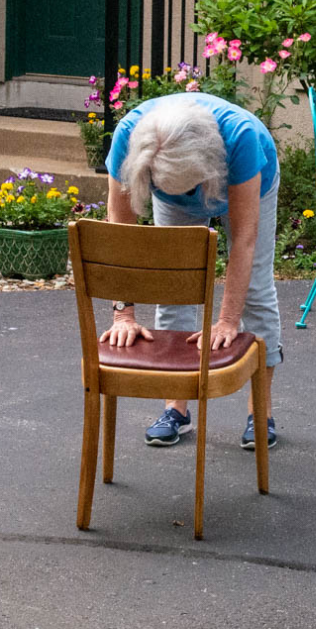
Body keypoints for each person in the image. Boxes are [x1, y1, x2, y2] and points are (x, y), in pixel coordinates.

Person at [99, 92, 282, 451]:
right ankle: (175, 409)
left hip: (245, 178)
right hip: (177, 177)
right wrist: (124, 313)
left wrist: (228, 319)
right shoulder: (128, 139)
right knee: (173, 285)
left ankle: (260, 412)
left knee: (256, 291)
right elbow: (120, 233)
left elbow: (244, 240)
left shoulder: (241, 137)